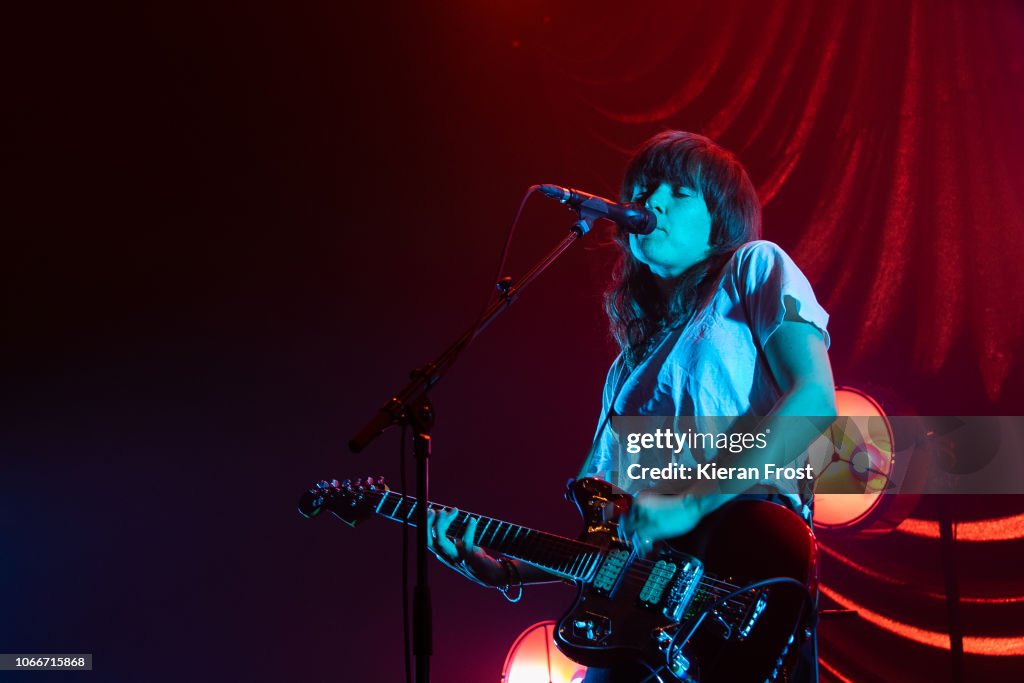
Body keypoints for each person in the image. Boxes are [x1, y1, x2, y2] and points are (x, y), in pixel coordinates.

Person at [427, 130, 836, 682]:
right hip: (643, 616)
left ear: (722, 215)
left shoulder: (753, 267)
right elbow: (611, 532)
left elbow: (814, 398)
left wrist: (692, 500)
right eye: (643, 189)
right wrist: (506, 569)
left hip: (746, 570)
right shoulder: (626, 371)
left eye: (679, 191)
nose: (651, 202)